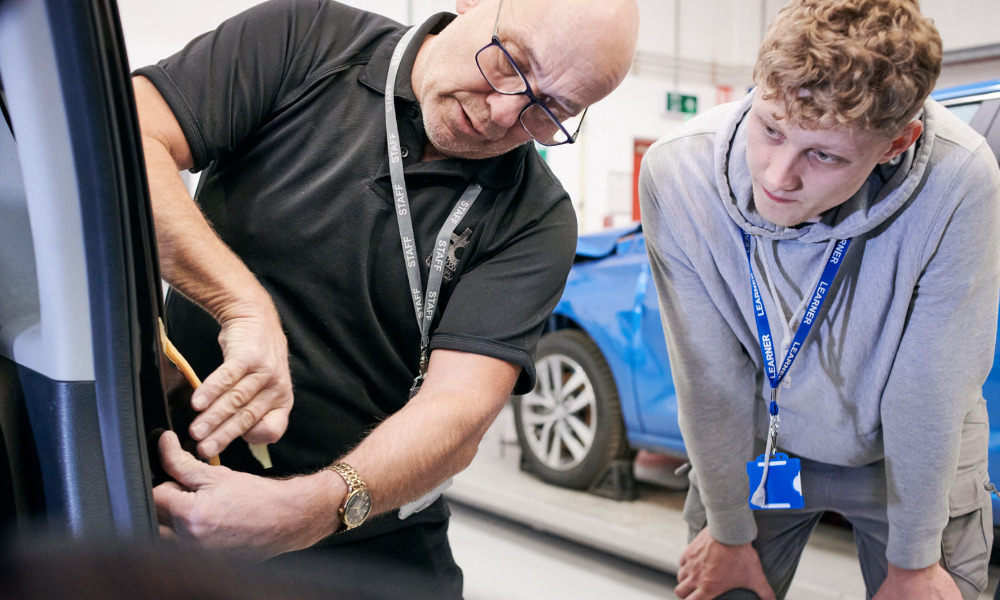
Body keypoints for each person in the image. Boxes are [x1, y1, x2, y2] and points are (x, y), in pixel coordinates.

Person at [132, 0, 638, 597]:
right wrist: (240, 303)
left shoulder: (539, 218)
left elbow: (459, 411)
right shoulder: (302, 39)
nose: (504, 112)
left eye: (551, 109)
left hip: (366, 530)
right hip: (175, 497)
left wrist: (306, 509)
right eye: (511, 61)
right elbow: (128, 141)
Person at [639, 1, 1000, 599]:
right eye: (771, 128)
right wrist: (728, 532)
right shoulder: (679, 174)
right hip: (762, 445)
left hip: (912, 463)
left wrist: (913, 561)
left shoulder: (959, 179)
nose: (777, 177)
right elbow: (708, 375)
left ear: (896, 144)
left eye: (824, 154)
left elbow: (930, 386)